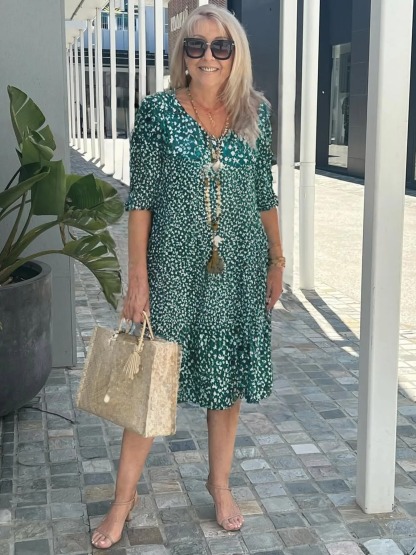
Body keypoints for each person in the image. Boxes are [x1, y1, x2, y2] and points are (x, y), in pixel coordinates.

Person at [91, 4, 284, 550]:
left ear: (236, 53)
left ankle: (219, 485)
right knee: (152, 378)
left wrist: (277, 259)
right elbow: (142, 202)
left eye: (220, 46)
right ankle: (123, 499)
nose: (208, 56)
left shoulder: (255, 113)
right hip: (173, 270)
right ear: (183, 54)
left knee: (227, 381)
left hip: (239, 269)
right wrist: (138, 277)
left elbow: (263, 194)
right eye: (196, 46)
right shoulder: (157, 113)